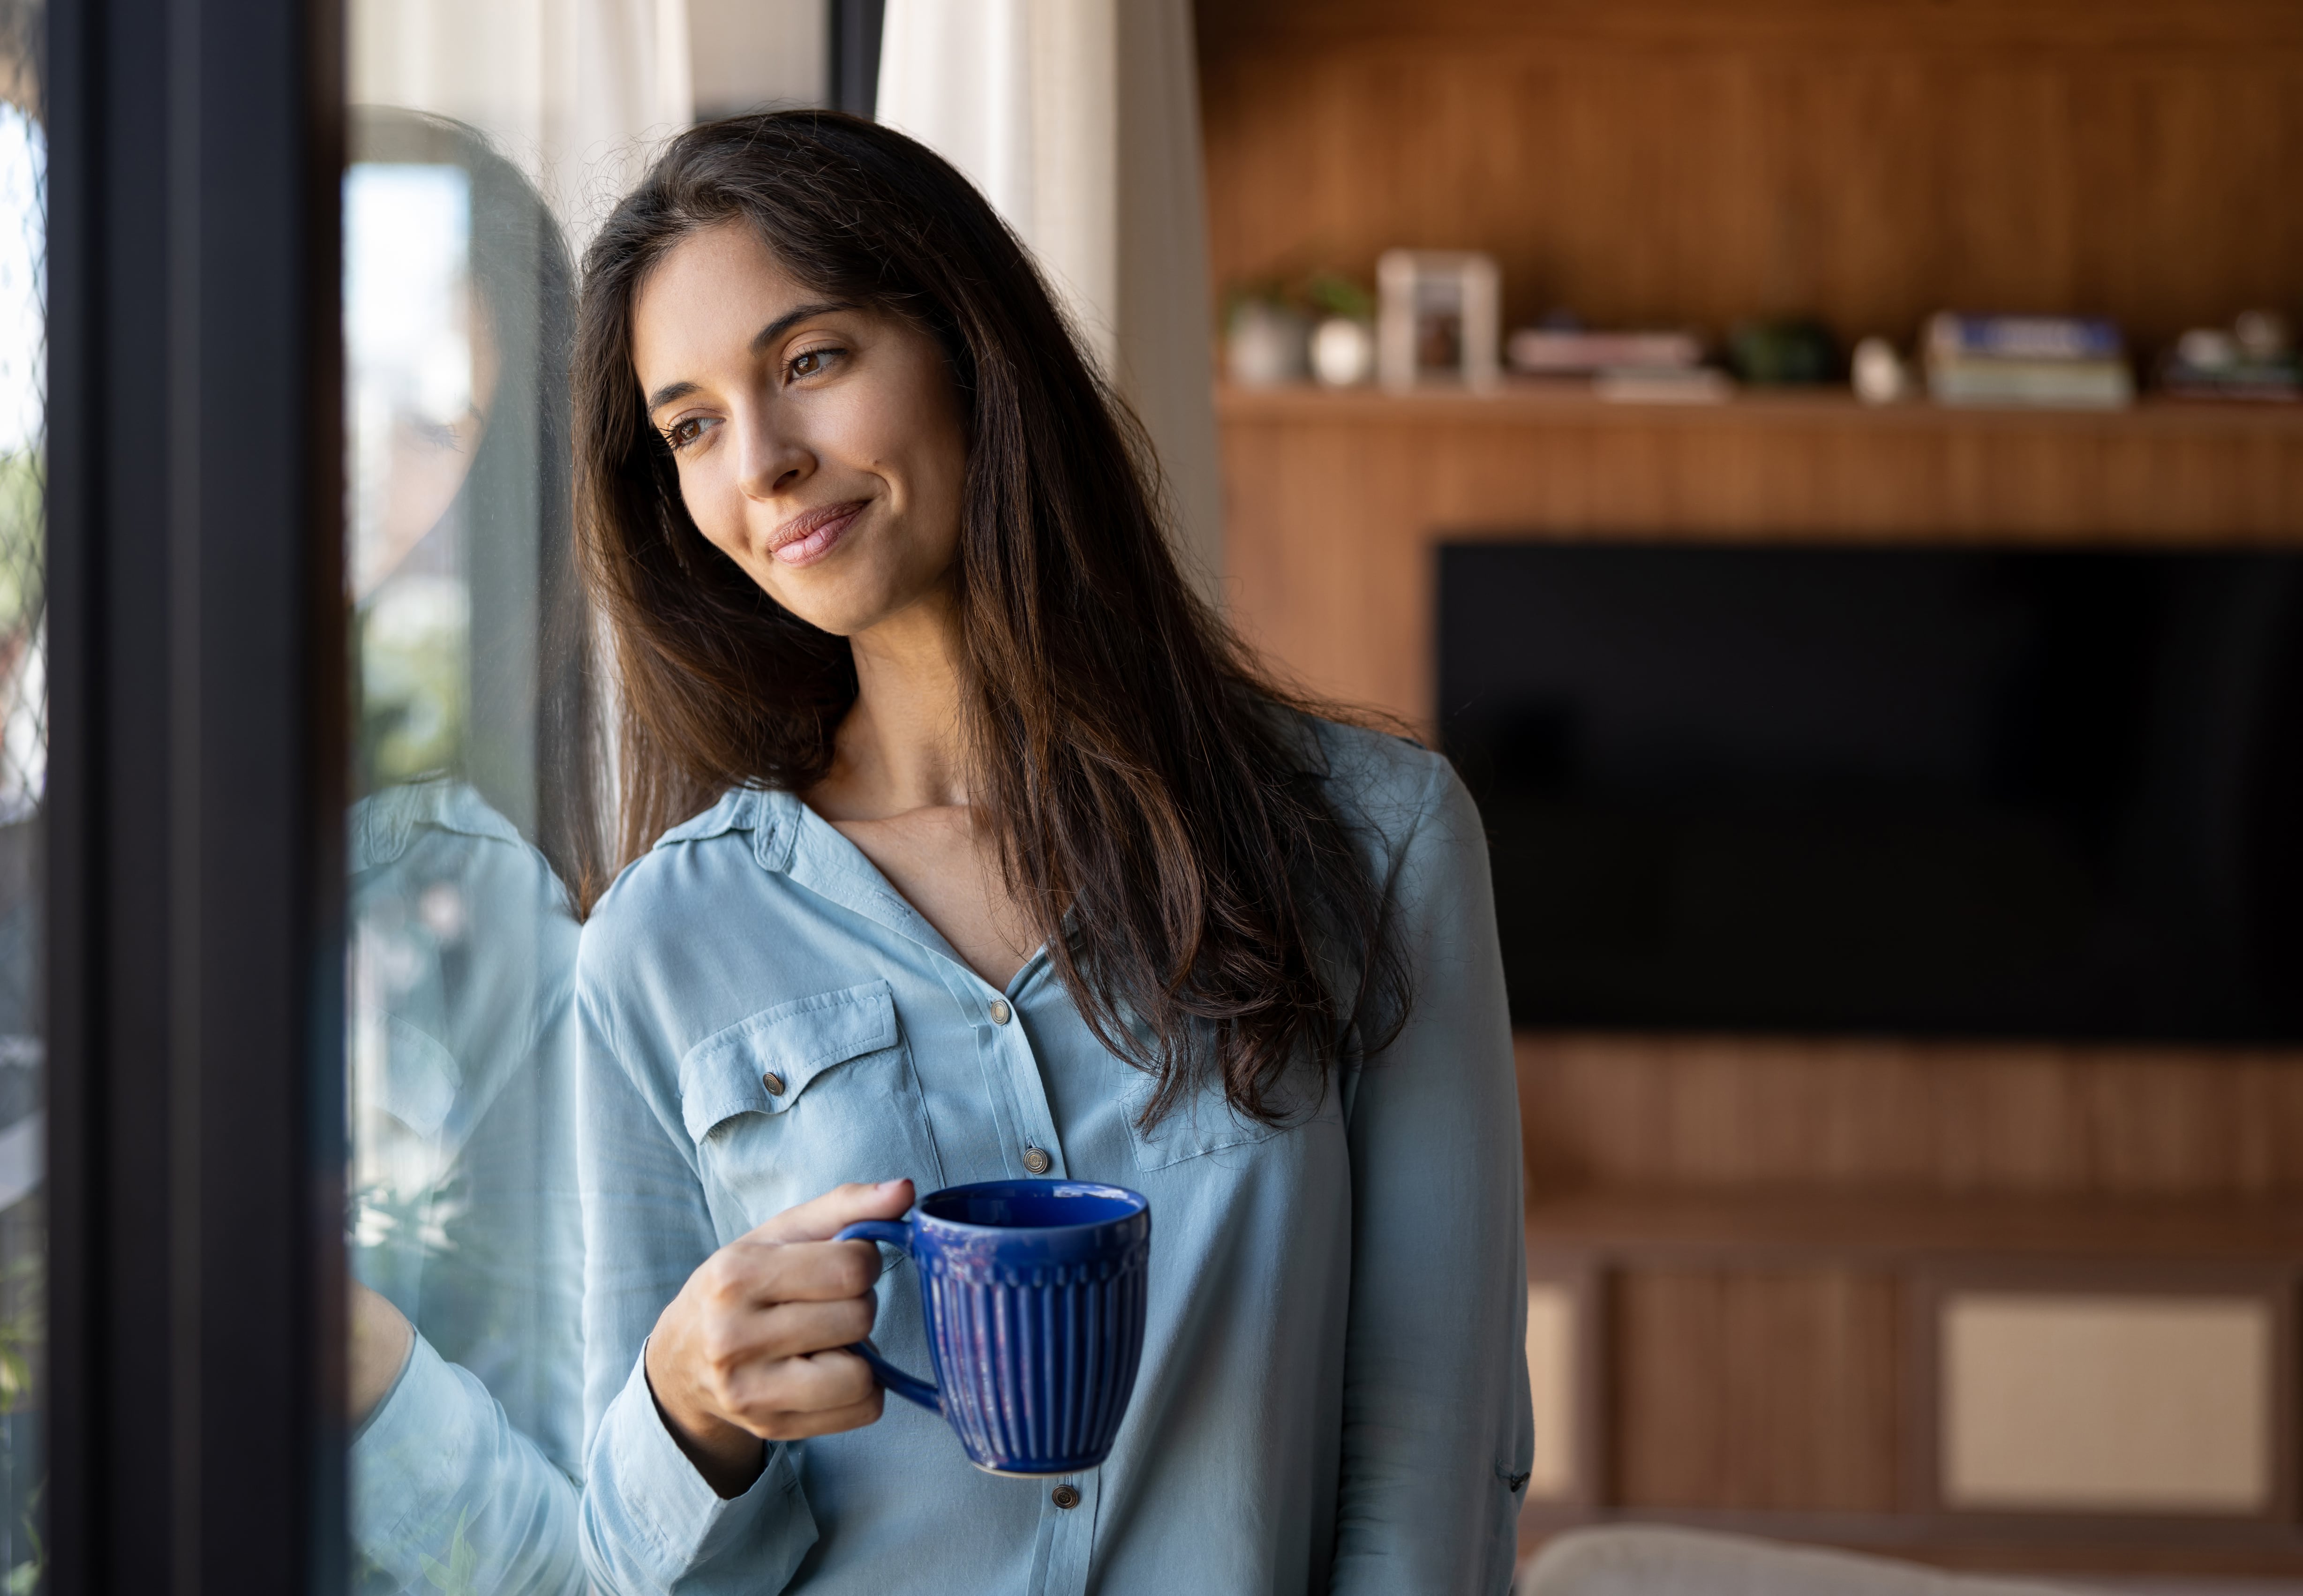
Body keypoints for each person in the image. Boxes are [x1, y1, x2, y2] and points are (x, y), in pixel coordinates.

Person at [570, 110, 1530, 1596]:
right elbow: (623, 1563)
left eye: (810, 360)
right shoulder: (659, 941)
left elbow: (1428, 1460)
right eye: (691, 425)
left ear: (969, 345)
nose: (762, 462)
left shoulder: (1374, 840)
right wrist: (689, 1408)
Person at [342, 106, 600, 1596]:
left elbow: (574, 1559)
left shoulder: (482, 917)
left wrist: (354, 1359)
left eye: (431, 423)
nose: (354, 455)